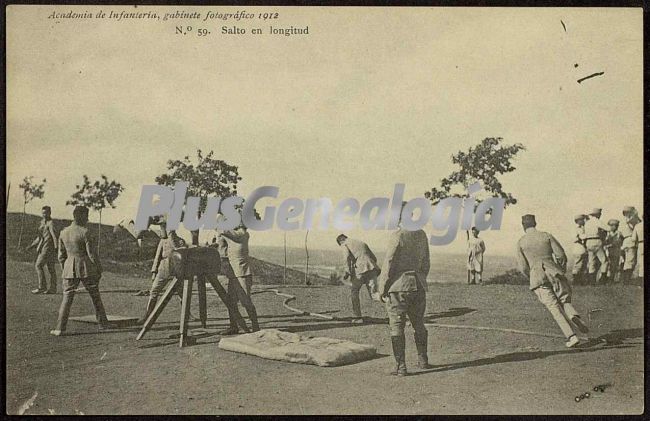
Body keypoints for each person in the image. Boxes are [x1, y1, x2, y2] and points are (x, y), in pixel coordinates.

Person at [515, 214, 588, 348]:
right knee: (564, 299)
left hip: (537, 277)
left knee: (554, 307)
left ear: (523, 225)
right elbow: (561, 255)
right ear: (535, 223)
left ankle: (571, 336)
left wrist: (531, 275)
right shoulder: (546, 236)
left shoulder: (521, 242)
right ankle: (572, 314)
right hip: (554, 271)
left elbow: (523, 267)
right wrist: (560, 269)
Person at [378, 205, 431, 376]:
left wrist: (382, 287)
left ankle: (401, 367)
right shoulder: (421, 234)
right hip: (418, 284)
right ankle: (423, 360)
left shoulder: (398, 235)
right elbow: (426, 263)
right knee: (419, 323)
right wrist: (420, 278)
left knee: (396, 326)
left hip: (399, 287)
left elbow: (389, 262)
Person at [50, 206, 109, 336]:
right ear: (80, 216)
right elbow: (92, 254)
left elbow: (61, 255)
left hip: (68, 268)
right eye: (86, 216)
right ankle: (103, 324)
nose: (87, 219)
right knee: (95, 297)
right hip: (86, 268)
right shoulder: (85, 232)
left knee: (67, 298)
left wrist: (64, 269)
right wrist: (99, 268)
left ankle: (59, 328)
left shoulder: (63, 232)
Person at [136, 221, 187, 324]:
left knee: (182, 293)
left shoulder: (180, 241)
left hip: (176, 270)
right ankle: (148, 315)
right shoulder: (162, 242)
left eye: (164, 228)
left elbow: (178, 249)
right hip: (163, 269)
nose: (161, 231)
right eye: (161, 228)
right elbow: (157, 257)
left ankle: (187, 314)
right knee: (154, 291)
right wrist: (154, 271)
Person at [219, 223, 260, 332]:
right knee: (231, 302)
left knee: (245, 301)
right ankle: (234, 327)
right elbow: (222, 251)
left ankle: (255, 326)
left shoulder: (242, 234)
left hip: (242, 274)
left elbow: (223, 229)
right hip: (234, 274)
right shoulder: (233, 237)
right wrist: (220, 239)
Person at [336, 234, 381, 323]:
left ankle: (358, 317)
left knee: (354, 292)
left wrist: (347, 272)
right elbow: (374, 258)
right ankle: (396, 312)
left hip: (360, 270)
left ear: (341, 241)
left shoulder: (345, 244)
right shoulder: (361, 242)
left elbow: (346, 258)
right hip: (372, 268)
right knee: (375, 294)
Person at [25, 205, 59, 294]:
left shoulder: (51, 223)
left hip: (48, 249)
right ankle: (53, 289)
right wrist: (31, 246)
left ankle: (42, 287)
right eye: (43, 213)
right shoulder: (42, 222)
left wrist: (56, 248)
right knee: (51, 268)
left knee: (38, 265)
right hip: (43, 247)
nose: (44, 215)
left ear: (49, 213)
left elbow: (54, 236)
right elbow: (40, 237)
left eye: (46, 213)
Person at [583, 208, 609, 285]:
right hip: (596, 241)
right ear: (598, 214)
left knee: (592, 261)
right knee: (604, 261)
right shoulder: (598, 221)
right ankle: (602, 280)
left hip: (588, 242)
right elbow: (608, 228)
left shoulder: (587, 223)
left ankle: (592, 281)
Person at [620, 206, 640, 283]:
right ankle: (626, 279)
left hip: (625, 241)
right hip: (630, 240)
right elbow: (636, 226)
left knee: (627, 260)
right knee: (630, 261)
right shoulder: (630, 220)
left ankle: (625, 278)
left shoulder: (622, 221)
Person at [571, 214, 588, 285]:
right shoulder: (575, 229)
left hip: (583, 248)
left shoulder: (584, 228)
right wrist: (582, 238)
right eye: (581, 220)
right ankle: (575, 280)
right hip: (578, 248)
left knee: (583, 265)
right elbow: (575, 239)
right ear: (577, 221)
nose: (583, 221)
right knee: (577, 264)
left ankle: (581, 280)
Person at [631, 213, 643, 280]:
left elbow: (633, 239)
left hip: (641, 243)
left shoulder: (638, 226)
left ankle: (641, 278)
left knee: (641, 261)